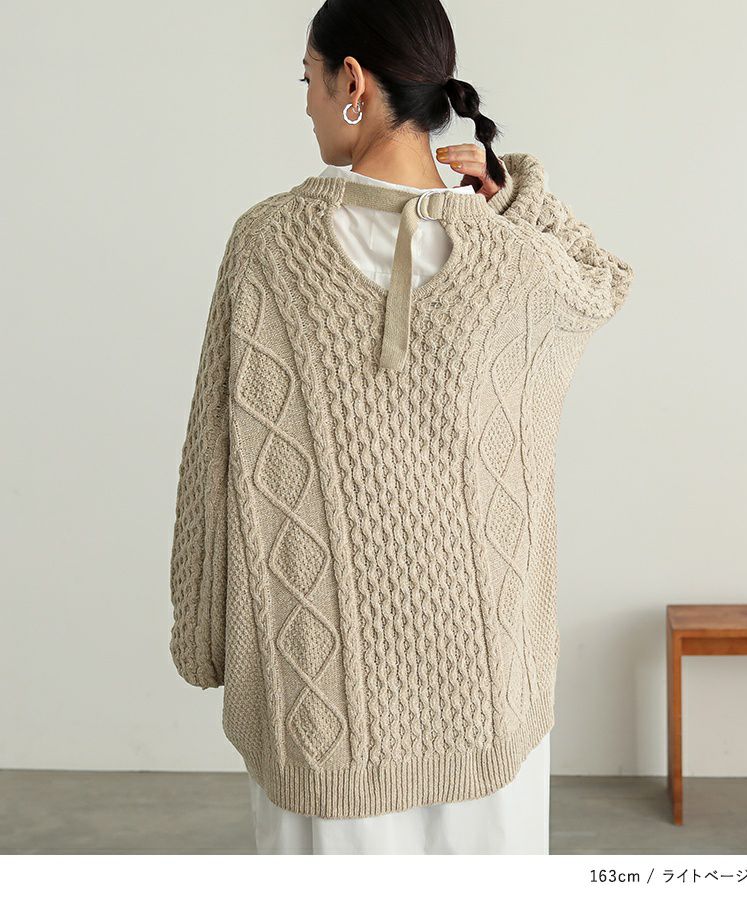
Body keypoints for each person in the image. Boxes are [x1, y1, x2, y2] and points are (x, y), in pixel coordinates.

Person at [169, 0, 634, 855]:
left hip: (319, 692)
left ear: (351, 81)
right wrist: (514, 197)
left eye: (308, 79)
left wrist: (202, 633)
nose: (306, 102)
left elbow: (213, 458)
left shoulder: (266, 245)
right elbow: (601, 278)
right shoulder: (514, 259)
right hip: (489, 679)